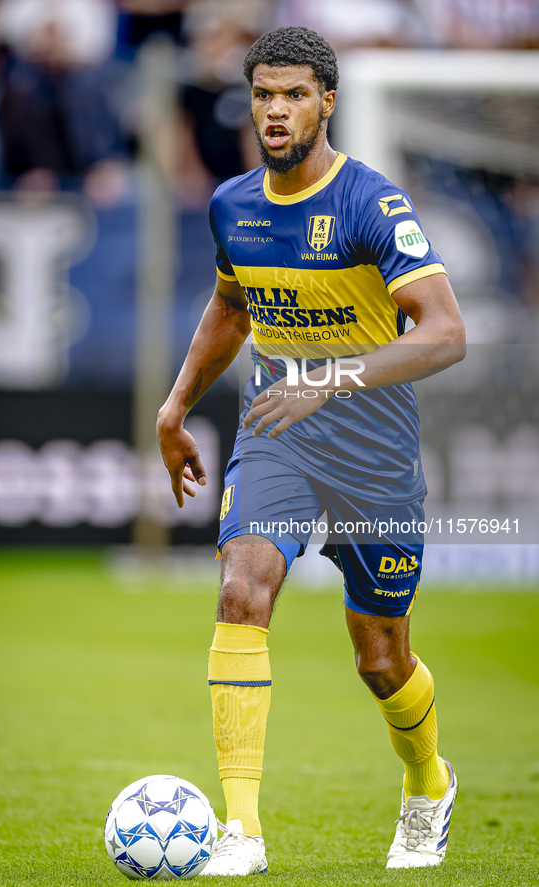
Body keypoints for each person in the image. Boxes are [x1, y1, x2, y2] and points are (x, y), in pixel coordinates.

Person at [157, 26, 466, 875]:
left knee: (379, 657)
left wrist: (326, 377)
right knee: (240, 587)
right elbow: (230, 305)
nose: (276, 109)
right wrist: (176, 403)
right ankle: (242, 833)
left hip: (372, 460)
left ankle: (426, 784)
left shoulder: (371, 203)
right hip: (276, 440)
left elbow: (444, 334)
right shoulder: (233, 204)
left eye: (294, 93)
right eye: (263, 94)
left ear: (327, 100)